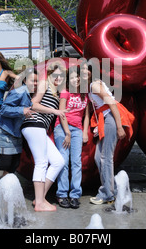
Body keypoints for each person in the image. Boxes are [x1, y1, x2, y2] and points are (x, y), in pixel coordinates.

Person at [80, 61, 134, 205]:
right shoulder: (92, 85)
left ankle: (107, 194)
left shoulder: (94, 85)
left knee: (106, 157)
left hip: (111, 118)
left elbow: (111, 103)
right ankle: (112, 189)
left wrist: (119, 126)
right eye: (82, 70)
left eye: (87, 70)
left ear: (92, 71)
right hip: (105, 118)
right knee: (99, 157)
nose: (84, 72)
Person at [21, 64, 67, 212]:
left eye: (61, 76)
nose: (58, 78)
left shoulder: (57, 93)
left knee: (58, 161)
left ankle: (39, 198)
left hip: (40, 128)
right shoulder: (44, 85)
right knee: (41, 162)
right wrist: (56, 111)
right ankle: (40, 203)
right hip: (34, 123)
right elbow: (33, 104)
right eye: (56, 75)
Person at [54, 65, 90, 209]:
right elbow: (61, 113)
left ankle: (75, 194)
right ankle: (62, 194)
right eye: (73, 77)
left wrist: (85, 131)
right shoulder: (65, 92)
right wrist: (67, 132)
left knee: (76, 162)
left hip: (77, 130)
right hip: (63, 128)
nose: (76, 80)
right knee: (63, 161)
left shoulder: (84, 94)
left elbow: (86, 115)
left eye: (78, 77)